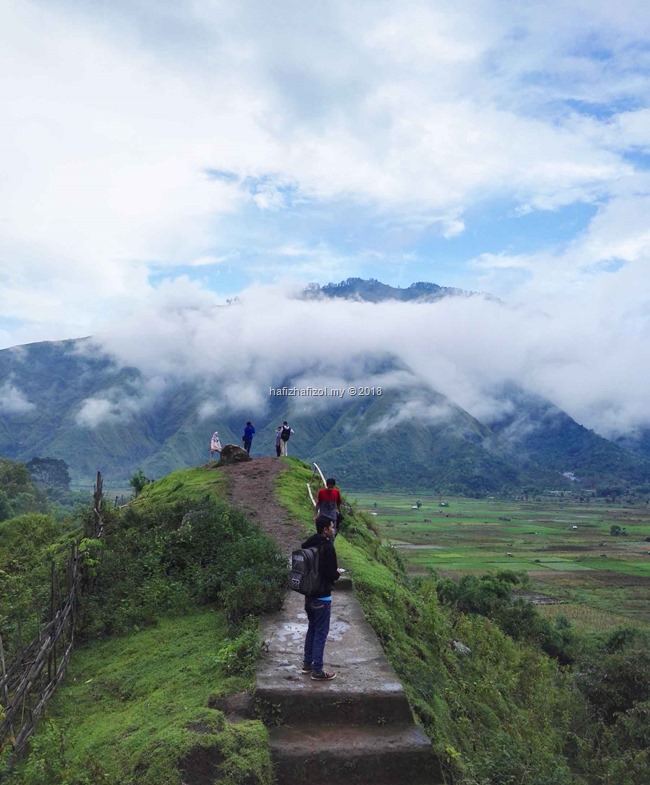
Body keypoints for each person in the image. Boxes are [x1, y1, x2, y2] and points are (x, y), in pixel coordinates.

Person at [301, 515, 343, 680]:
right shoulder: (328, 548)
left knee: (312, 629)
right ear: (325, 530)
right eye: (331, 527)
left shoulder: (311, 544)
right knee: (321, 633)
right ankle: (317, 671)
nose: (333, 530)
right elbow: (330, 574)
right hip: (322, 597)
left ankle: (307, 664)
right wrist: (337, 573)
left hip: (309, 594)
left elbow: (304, 546)